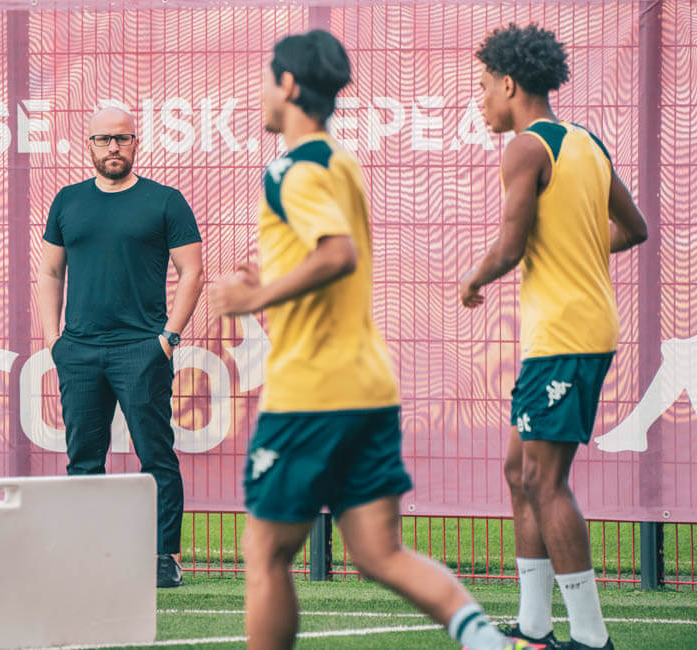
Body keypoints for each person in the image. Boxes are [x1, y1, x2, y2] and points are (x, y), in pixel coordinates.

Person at [210, 30, 523, 650]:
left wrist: (254, 299)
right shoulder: (338, 159)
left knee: (266, 555)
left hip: (311, 393)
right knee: (380, 552)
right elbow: (325, 254)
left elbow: (337, 254)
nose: (262, 92)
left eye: (268, 78)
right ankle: (487, 642)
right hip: (368, 388)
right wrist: (272, 280)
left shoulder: (292, 168)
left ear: (289, 85)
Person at [459, 23, 648, 650]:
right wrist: (577, 247)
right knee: (519, 471)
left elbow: (509, 246)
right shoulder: (587, 143)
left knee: (544, 479)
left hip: (566, 334)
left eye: (485, 86)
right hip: (572, 332)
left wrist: (473, 278)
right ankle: (535, 627)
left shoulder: (525, 148)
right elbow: (634, 228)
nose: (482, 98)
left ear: (510, 84)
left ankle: (590, 637)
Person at [36, 106, 204, 589]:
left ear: (135, 143)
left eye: (122, 138)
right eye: (103, 139)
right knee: (84, 461)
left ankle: (164, 557)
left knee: (156, 456)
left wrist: (168, 339)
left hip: (142, 350)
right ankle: (88, 557)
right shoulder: (67, 201)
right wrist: (54, 341)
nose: (113, 147)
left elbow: (192, 271)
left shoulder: (165, 201)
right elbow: (50, 272)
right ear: (88, 144)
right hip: (79, 352)